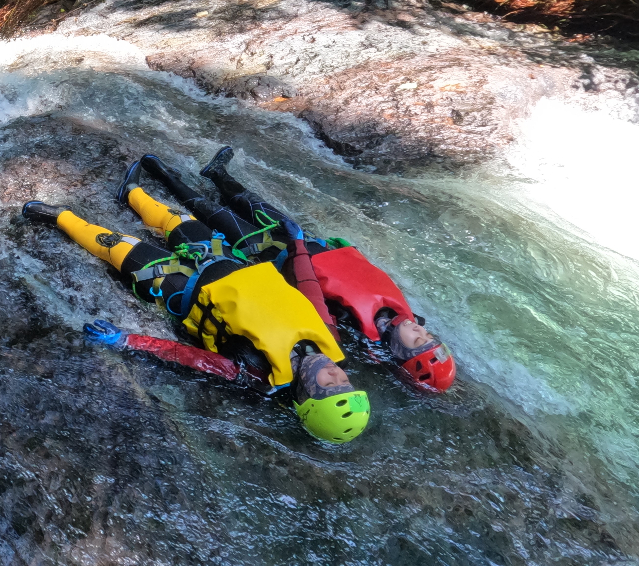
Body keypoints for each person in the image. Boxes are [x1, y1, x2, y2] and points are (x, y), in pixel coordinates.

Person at [21, 194, 371, 444]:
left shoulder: (255, 373)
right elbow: (308, 290)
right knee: (177, 220)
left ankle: (61, 217)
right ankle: (132, 193)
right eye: (347, 384)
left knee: (117, 247)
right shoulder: (328, 339)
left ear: (307, 396)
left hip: (184, 287)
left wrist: (126, 340)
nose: (337, 374)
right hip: (226, 262)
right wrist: (297, 246)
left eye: (330, 388)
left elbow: (190, 358)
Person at [123, 150, 457, 393]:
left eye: (419, 342)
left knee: (213, 215)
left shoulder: (354, 337)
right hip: (309, 248)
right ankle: (217, 174)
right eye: (429, 337)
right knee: (252, 203)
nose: (421, 332)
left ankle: (164, 178)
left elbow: (306, 301)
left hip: (276, 257)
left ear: (402, 357)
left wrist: (282, 259)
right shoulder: (400, 317)